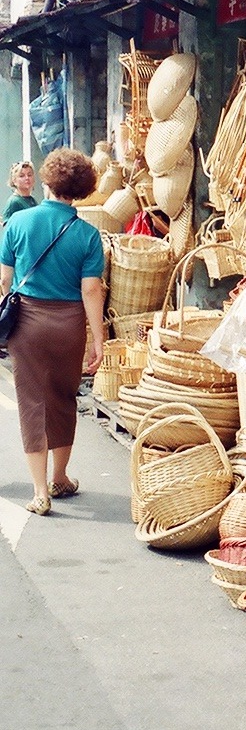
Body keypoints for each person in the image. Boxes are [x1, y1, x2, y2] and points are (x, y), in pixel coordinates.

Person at [0, 148, 106, 514]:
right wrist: (98, 339)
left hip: (27, 324)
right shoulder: (90, 235)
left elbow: (5, 279)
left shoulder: (18, 223)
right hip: (70, 325)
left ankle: (39, 492)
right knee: (63, 398)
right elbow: (91, 290)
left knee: (32, 402)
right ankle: (61, 477)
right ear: (79, 190)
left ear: (46, 181)